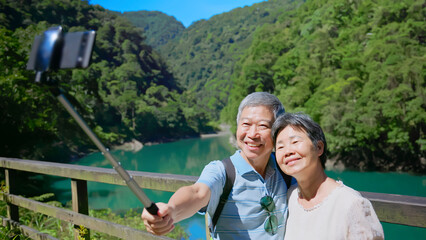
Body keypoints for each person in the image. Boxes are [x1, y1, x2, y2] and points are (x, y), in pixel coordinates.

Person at [142, 92, 292, 239]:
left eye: (263, 126)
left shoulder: (286, 166)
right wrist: (170, 211)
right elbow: (197, 193)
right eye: (246, 124)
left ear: (277, 131)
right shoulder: (222, 171)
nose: (252, 134)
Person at [272, 112, 384, 239]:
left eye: (295, 141)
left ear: (319, 147)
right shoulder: (290, 197)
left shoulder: (351, 204)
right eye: (280, 147)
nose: (287, 151)